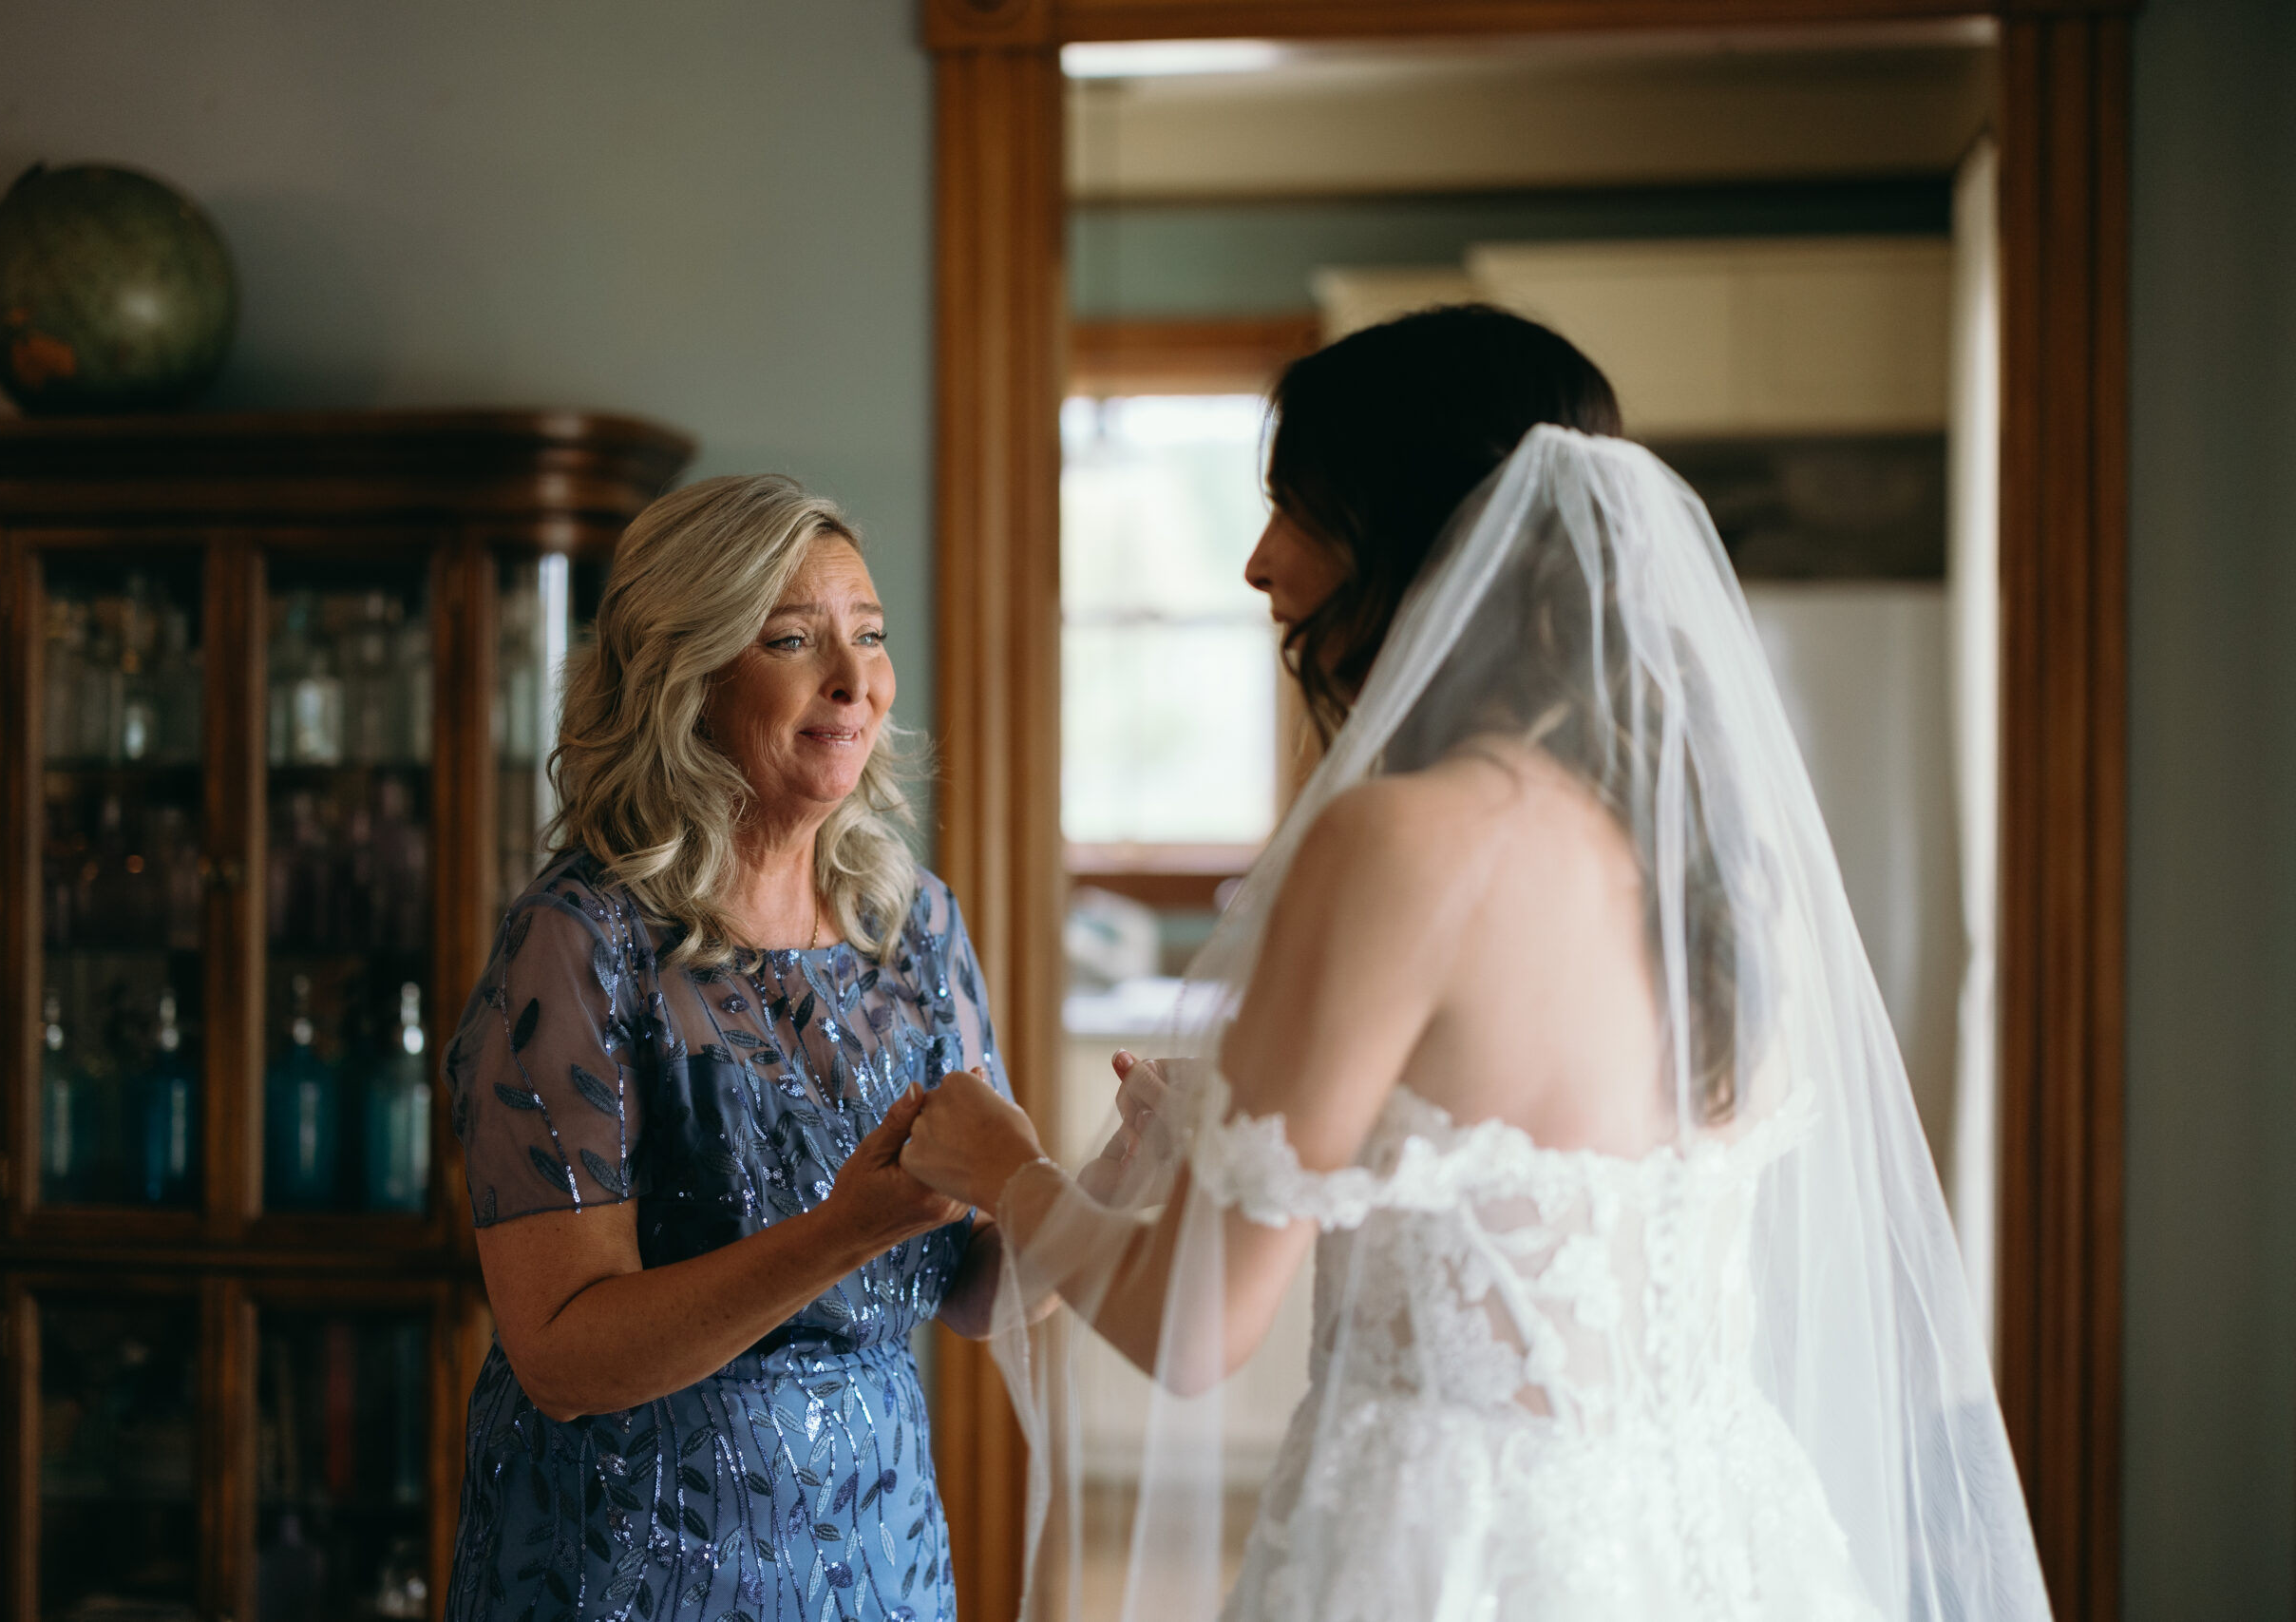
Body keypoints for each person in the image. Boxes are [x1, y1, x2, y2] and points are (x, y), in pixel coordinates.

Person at [901, 306, 2050, 1620]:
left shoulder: (1400, 840)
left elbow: (1190, 1324)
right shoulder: (1711, 855)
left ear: (1409, 531)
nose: (1257, 564)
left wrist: (1002, 1162)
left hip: (1453, 1560)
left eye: (1296, 508)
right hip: (1707, 1546)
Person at [443, 474, 1008, 1622]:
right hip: (637, 1558)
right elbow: (557, 1355)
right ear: (682, 679)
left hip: (877, 1550)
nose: (856, 682)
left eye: (871, 636)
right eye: (794, 640)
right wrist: (844, 1231)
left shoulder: (917, 924)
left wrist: (1104, 1192)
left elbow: (978, 1295)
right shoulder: (579, 941)